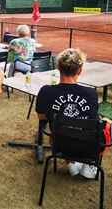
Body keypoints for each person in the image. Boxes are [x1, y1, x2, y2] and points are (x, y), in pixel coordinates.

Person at [35, 48, 99, 179]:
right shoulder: (91, 93)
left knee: (58, 131)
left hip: (60, 145)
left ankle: (71, 163)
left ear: (58, 67)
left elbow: (41, 117)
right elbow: (91, 119)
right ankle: (87, 166)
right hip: (88, 148)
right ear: (80, 71)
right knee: (106, 125)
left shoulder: (46, 91)